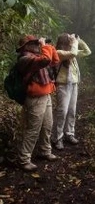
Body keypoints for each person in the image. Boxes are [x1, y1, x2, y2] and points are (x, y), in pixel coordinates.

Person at [16, 35, 60, 172]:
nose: (36, 45)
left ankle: (44, 151)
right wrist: (44, 46)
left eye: (37, 42)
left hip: (46, 95)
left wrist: (48, 46)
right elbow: (45, 60)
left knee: (47, 125)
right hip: (35, 98)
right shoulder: (25, 59)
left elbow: (54, 61)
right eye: (33, 43)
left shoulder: (38, 55)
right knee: (33, 129)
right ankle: (23, 159)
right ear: (25, 46)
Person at [51, 33, 91, 150]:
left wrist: (79, 40)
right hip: (63, 85)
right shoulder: (59, 52)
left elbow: (87, 52)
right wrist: (74, 42)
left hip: (73, 84)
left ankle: (69, 133)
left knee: (72, 110)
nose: (71, 42)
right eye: (69, 40)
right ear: (64, 43)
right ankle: (57, 138)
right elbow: (73, 53)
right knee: (62, 111)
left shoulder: (71, 52)